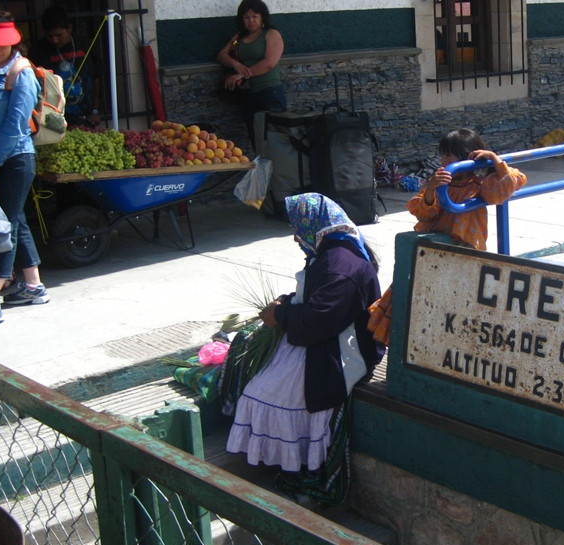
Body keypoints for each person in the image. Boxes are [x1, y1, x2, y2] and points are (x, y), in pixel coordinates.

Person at [225, 193, 384, 505]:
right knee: (249, 363)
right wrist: (285, 303)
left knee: (264, 394)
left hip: (341, 355)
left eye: (298, 229)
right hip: (322, 338)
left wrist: (281, 316)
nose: (295, 237)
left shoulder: (342, 267)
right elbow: (316, 300)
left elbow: (317, 320)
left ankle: (300, 465)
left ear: (317, 226)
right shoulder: (330, 251)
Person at [366, 128, 527, 344]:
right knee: (412, 298)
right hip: (430, 254)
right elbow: (421, 209)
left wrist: (494, 160)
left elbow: (510, 184)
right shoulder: (442, 183)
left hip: (463, 255)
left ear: (468, 157)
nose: (443, 161)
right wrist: (432, 187)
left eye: (449, 156)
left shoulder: (480, 185)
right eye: (442, 155)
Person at [0, 12, 50, 325]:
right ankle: (34, 285)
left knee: (5, 225)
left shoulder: (21, 71)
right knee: (15, 219)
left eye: (1, 43)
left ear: (13, 41)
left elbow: (16, 125)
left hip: (15, 160)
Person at [217, 0, 286, 149]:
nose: (251, 21)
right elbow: (222, 54)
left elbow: (269, 63)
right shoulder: (239, 38)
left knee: (274, 140)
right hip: (249, 95)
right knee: (257, 140)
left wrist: (242, 75)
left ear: (262, 17)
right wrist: (235, 64)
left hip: (269, 92)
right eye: (247, 17)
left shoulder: (271, 34)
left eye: (255, 16)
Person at [28, 5, 101, 128]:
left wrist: (95, 110)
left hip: (85, 116)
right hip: (53, 117)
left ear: (69, 28)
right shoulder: (38, 50)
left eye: (59, 35)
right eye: (50, 36)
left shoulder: (85, 44)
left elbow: (97, 77)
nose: (55, 40)